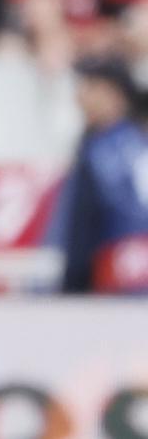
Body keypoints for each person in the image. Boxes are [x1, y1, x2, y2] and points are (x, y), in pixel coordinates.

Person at [60, 56, 148, 294]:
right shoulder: (139, 139)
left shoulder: (99, 150)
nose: (80, 97)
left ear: (115, 95)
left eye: (90, 87)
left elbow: (83, 227)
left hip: (116, 273)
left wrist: (72, 286)